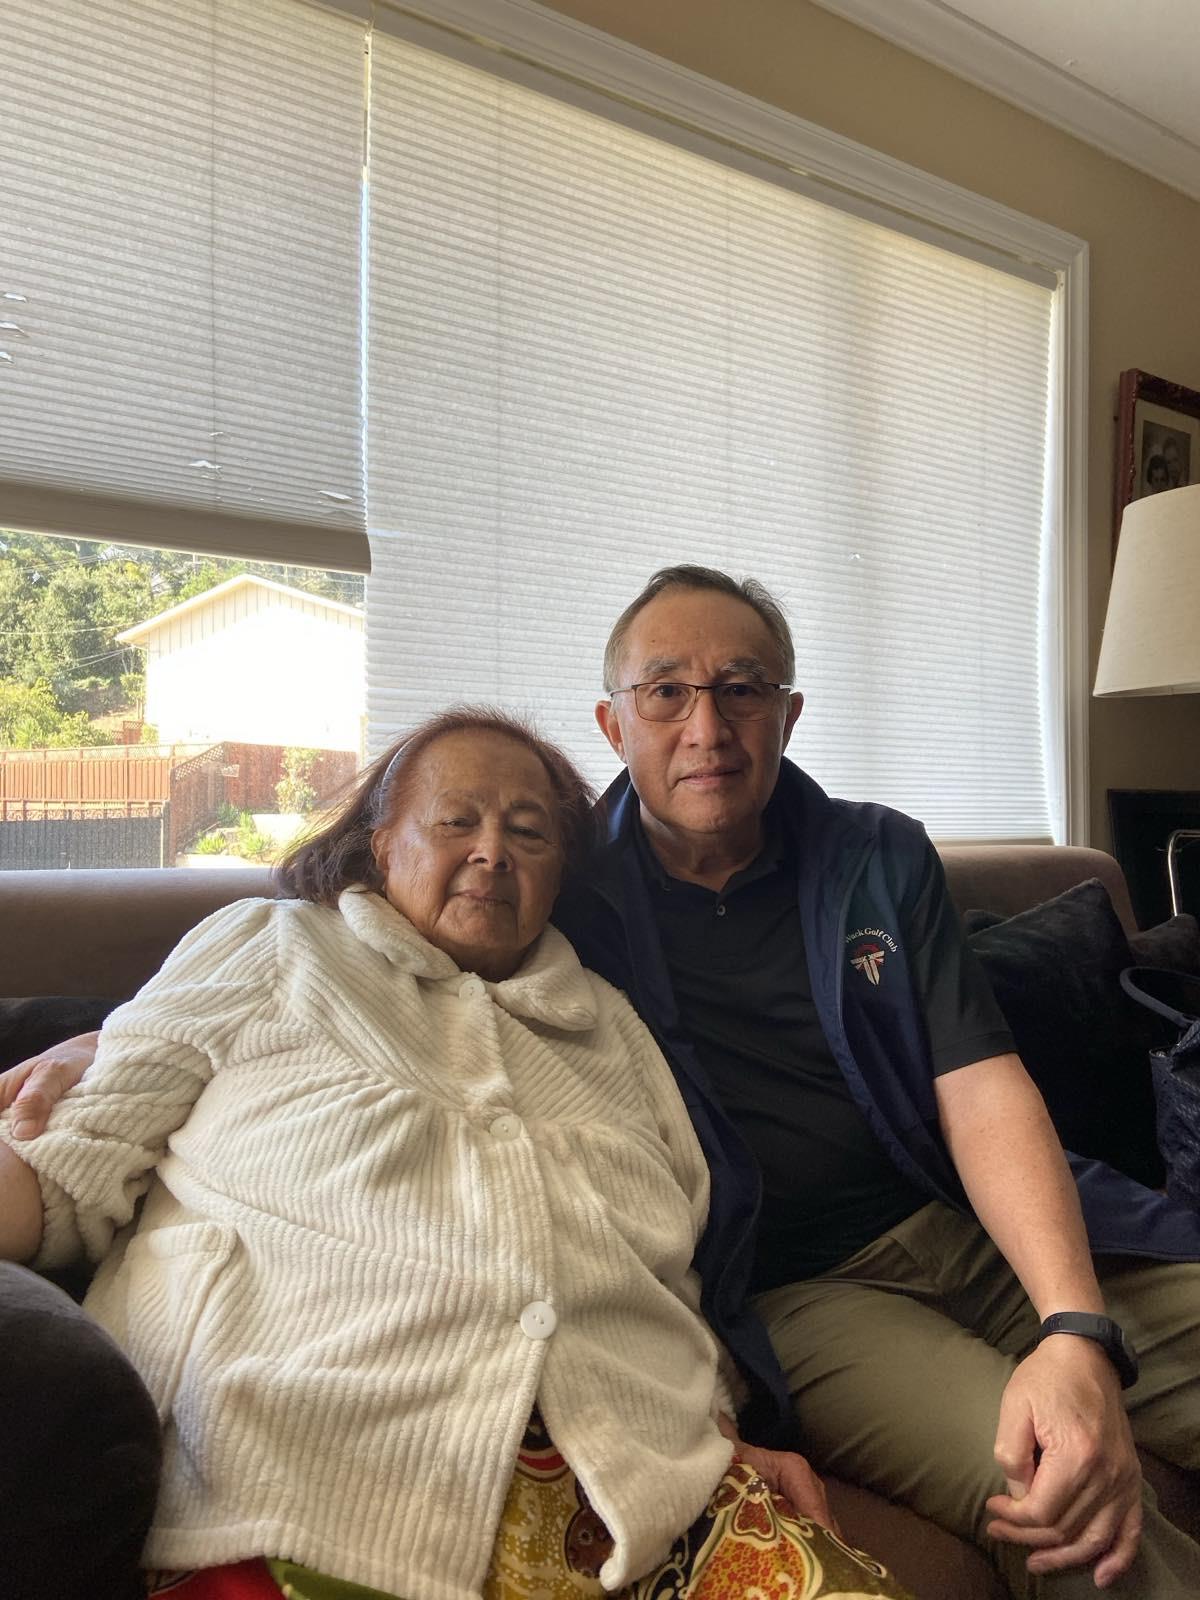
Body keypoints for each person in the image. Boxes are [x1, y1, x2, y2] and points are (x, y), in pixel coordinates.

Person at [11, 571, 1200, 1595]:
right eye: (666, 691)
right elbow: (349, 956)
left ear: (789, 712)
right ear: (613, 719)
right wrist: (101, 1042)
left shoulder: (870, 856)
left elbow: (980, 1088)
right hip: (809, 1292)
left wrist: (1072, 1324)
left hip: (986, 1223)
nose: (707, 724)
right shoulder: (558, 889)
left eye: (743, 689)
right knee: (1073, 1492)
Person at [0, 708, 913, 1600]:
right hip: (304, 1484)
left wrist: (714, 1431)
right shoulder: (270, 950)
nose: (492, 852)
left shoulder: (616, 1031)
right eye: (456, 822)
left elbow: (672, 1270)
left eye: (529, 832)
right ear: (378, 841)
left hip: (642, 1502)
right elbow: (64, 1175)